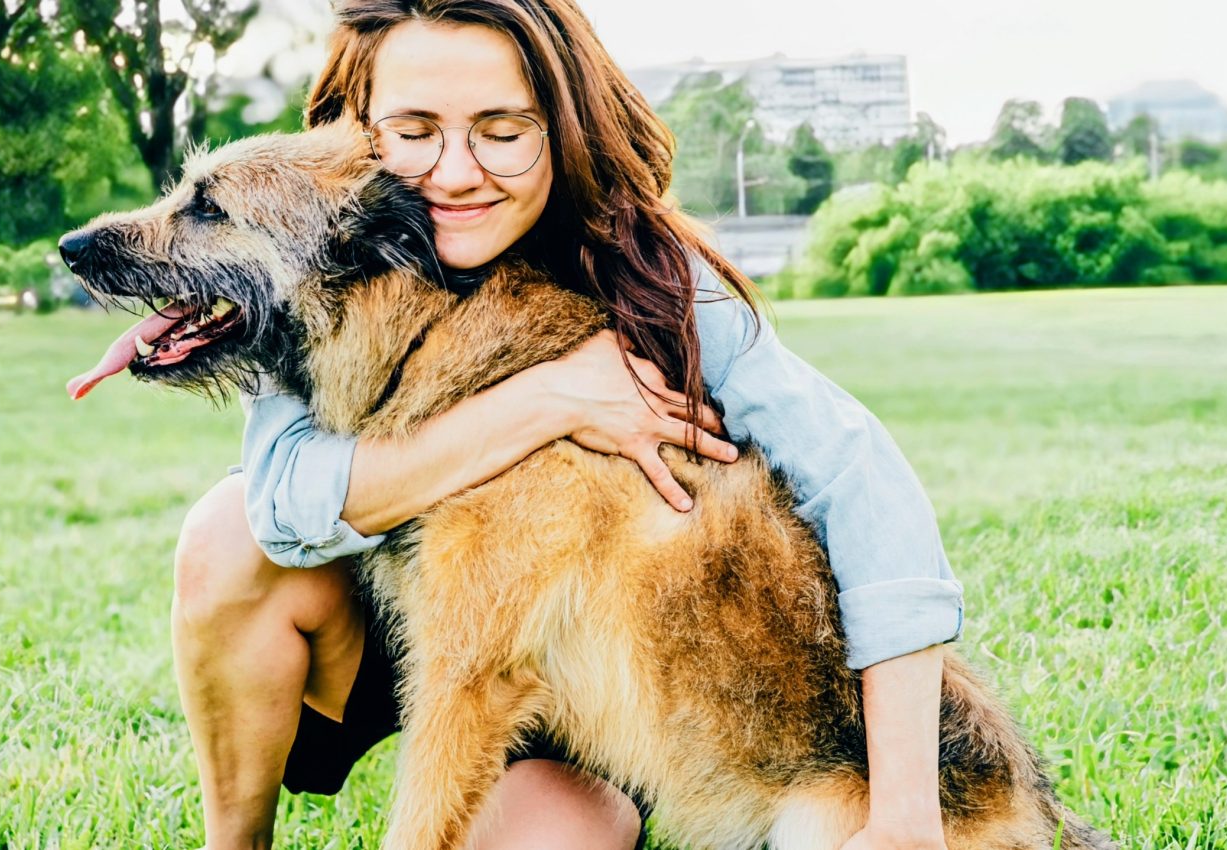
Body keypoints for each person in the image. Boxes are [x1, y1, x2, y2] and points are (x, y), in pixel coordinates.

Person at [171, 1, 964, 848]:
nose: (455, 173)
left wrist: (905, 815)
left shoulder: (652, 276)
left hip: (596, 680)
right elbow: (285, 505)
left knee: (550, 837)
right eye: (414, 131)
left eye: (502, 131)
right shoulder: (307, 257)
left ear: (562, 128)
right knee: (226, 537)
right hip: (393, 625)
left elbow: (862, 480)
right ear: (356, 131)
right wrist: (551, 397)